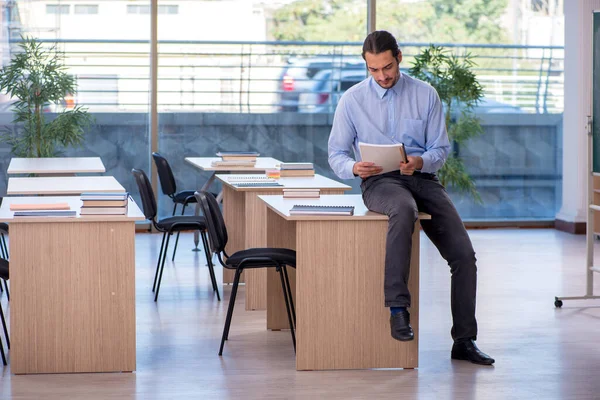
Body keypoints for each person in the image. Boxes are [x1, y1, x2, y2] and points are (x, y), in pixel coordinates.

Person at [327, 30, 495, 366]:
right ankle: (398, 309)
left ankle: (464, 340)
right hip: (379, 182)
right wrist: (354, 167)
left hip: (422, 178)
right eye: (373, 70)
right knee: (402, 210)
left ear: (399, 58)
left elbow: (440, 149)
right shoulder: (352, 100)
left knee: (464, 255)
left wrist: (420, 161)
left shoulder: (425, 94)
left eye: (387, 67)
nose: (382, 76)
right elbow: (335, 154)